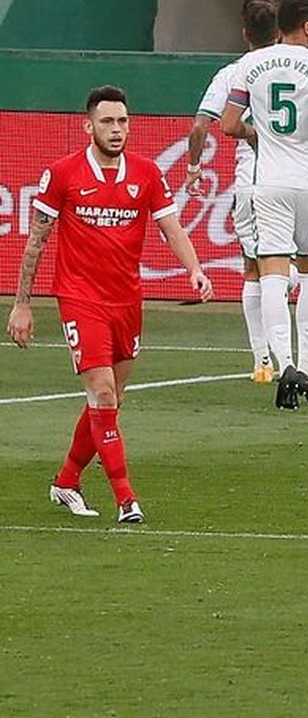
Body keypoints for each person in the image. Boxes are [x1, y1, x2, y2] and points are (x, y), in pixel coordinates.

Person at [8, 86, 215, 523]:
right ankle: (126, 499)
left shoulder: (146, 173)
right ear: (88, 127)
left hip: (127, 300)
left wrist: (194, 269)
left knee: (110, 400)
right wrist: (21, 305)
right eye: (107, 121)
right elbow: (36, 242)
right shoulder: (62, 174)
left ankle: (67, 481)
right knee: (102, 391)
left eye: (122, 121)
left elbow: (172, 228)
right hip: (79, 298)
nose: (116, 129)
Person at [219, 0, 308, 409]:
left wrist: (256, 137)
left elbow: (229, 124)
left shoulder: (251, 64)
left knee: (273, 274)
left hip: (270, 182)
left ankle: (285, 367)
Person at [186, 0, 278, 382]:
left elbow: (200, 126)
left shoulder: (233, 73)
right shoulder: (304, 65)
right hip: (302, 178)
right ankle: (297, 358)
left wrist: (193, 168)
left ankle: (263, 360)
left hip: (254, 180)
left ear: (245, 34)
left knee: (255, 269)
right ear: (279, 31)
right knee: (303, 267)